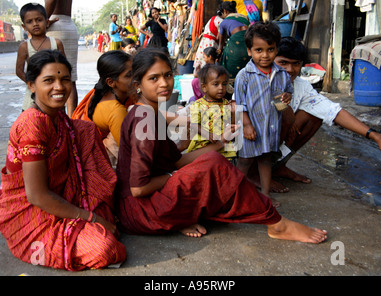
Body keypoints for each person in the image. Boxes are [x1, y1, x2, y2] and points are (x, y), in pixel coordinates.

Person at [114, 48, 327, 244]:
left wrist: (220, 142)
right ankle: (275, 223)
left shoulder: (151, 112)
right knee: (211, 168)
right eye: (154, 78)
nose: (164, 84)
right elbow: (139, 188)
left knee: (213, 163)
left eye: (168, 75)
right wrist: (180, 176)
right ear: (138, 85)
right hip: (140, 211)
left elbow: (177, 161)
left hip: (147, 203)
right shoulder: (144, 118)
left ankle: (180, 218)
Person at [0, 50, 126, 270]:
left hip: (62, 197)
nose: (59, 87)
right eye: (49, 80)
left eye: (65, 79)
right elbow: (37, 195)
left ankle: (83, 220)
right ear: (31, 85)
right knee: (104, 248)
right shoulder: (32, 123)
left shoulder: (59, 118)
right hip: (32, 211)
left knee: (87, 130)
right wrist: (91, 217)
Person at [266, 37, 381, 191]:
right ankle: (254, 174)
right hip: (250, 146)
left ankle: (277, 166)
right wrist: (287, 119)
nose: (290, 69)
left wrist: (376, 136)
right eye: (283, 63)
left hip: (276, 138)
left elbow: (333, 111)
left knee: (314, 115)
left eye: (295, 64)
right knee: (281, 118)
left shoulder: (301, 85)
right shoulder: (257, 79)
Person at [234, 22, 293, 207]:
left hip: (270, 129)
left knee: (265, 160)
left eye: (270, 49)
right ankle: (234, 195)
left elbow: (282, 98)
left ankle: (265, 195)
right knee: (244, 162)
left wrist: (285, 98)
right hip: (250, 129)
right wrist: (247, 125)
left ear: (276, 49)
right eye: (259, 50)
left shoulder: (282, 74)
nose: (265, 55)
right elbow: (238, 104)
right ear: (250, 51)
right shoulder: (244, 76)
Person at [72, 50, 133, 167]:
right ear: (110, 82)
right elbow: (132, 151)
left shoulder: (100, 91)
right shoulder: (116, 110)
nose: (136, 78)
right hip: (99, 162)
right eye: (129, 75)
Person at [16, 3, 65, 111]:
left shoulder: (56, 43)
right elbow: (19, 71)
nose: (35, 24)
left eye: (39, 20)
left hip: (54, 89)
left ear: (47, 22)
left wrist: (56, 83)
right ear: (24, 27)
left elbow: (64, 68)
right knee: (32, 118)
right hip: (33, 91)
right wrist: (34, 85)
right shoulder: (24, 46)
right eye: (29, 21)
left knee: (57, 118)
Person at [43, 0, 79, 117]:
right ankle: (72, 120)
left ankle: (58, 121)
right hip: (68, 25)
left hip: (55, 25)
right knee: (70, 78)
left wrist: (43, 20)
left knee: (52, 76)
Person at [186, 64, 237, 161]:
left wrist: (233, 112)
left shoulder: (226, 104)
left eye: (224, 84)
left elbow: (230, 125)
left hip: (224, 147)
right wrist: (207, 134)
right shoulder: (198, 104)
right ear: (204, 87)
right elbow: (194, 124)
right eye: (216, 84)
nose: (221, 88)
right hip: (204, 145)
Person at [217, 1, 251, 92]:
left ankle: (232, 91)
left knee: (229, 66)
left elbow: (220, 45)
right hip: (249, 44)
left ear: (225, 11)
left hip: (235, 46)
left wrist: (219, 56)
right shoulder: (245, 18)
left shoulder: (224, 22)